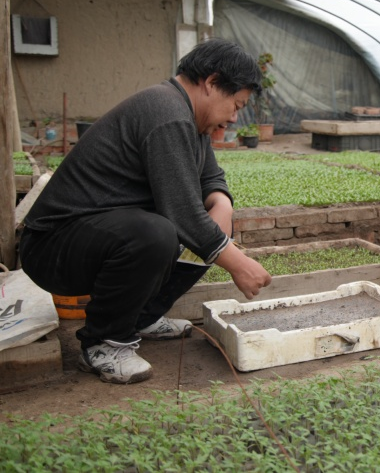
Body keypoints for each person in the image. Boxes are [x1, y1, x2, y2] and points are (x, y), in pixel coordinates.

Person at [19, 38, 273, 384]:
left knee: (207, 226)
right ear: (212, 83)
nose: (234, 115)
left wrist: (223, 205)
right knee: (157, 233)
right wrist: (239, 263)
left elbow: (210, 177)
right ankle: (103, 343)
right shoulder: (166, 113)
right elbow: (183, 213)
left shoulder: (191, 119)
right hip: (53, 246)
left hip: (97, 234)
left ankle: (141, 316)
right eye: (236, 103)